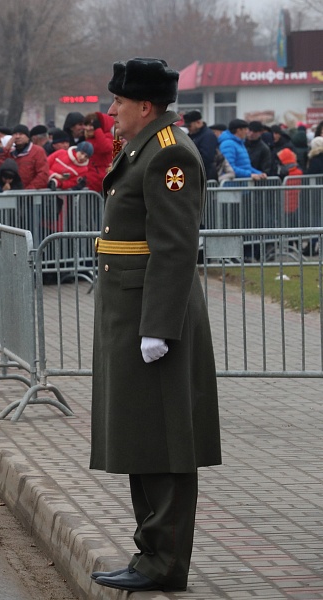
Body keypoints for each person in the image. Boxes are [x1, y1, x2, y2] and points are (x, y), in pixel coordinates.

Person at [90, 58, 220, 593]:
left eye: (119, 102)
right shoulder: (146, 146)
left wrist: (159, 327)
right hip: (130, 307)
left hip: (151, 312)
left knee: (164, 440)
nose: (111, 110)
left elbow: (174, 247)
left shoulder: (169, 153)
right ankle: (150, 553)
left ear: (145, 105)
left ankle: (164, 562)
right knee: (140, 435)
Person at [8, 125, 49, 190]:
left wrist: (29, 190)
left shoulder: (38, 151)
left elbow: (43, 174)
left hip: (32, 194)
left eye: (21, 134)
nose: (17, 137)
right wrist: (6, 149)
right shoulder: (10, 153)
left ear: (28, 137)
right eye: (15, 134)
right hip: (13, 193)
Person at [182, 110, 218, 183]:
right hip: (196, 175)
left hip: (205, 176)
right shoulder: (192, 135)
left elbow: (207, 158)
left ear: (198, 123)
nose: (188, 128)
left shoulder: (208, 136)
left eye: (189, 126)